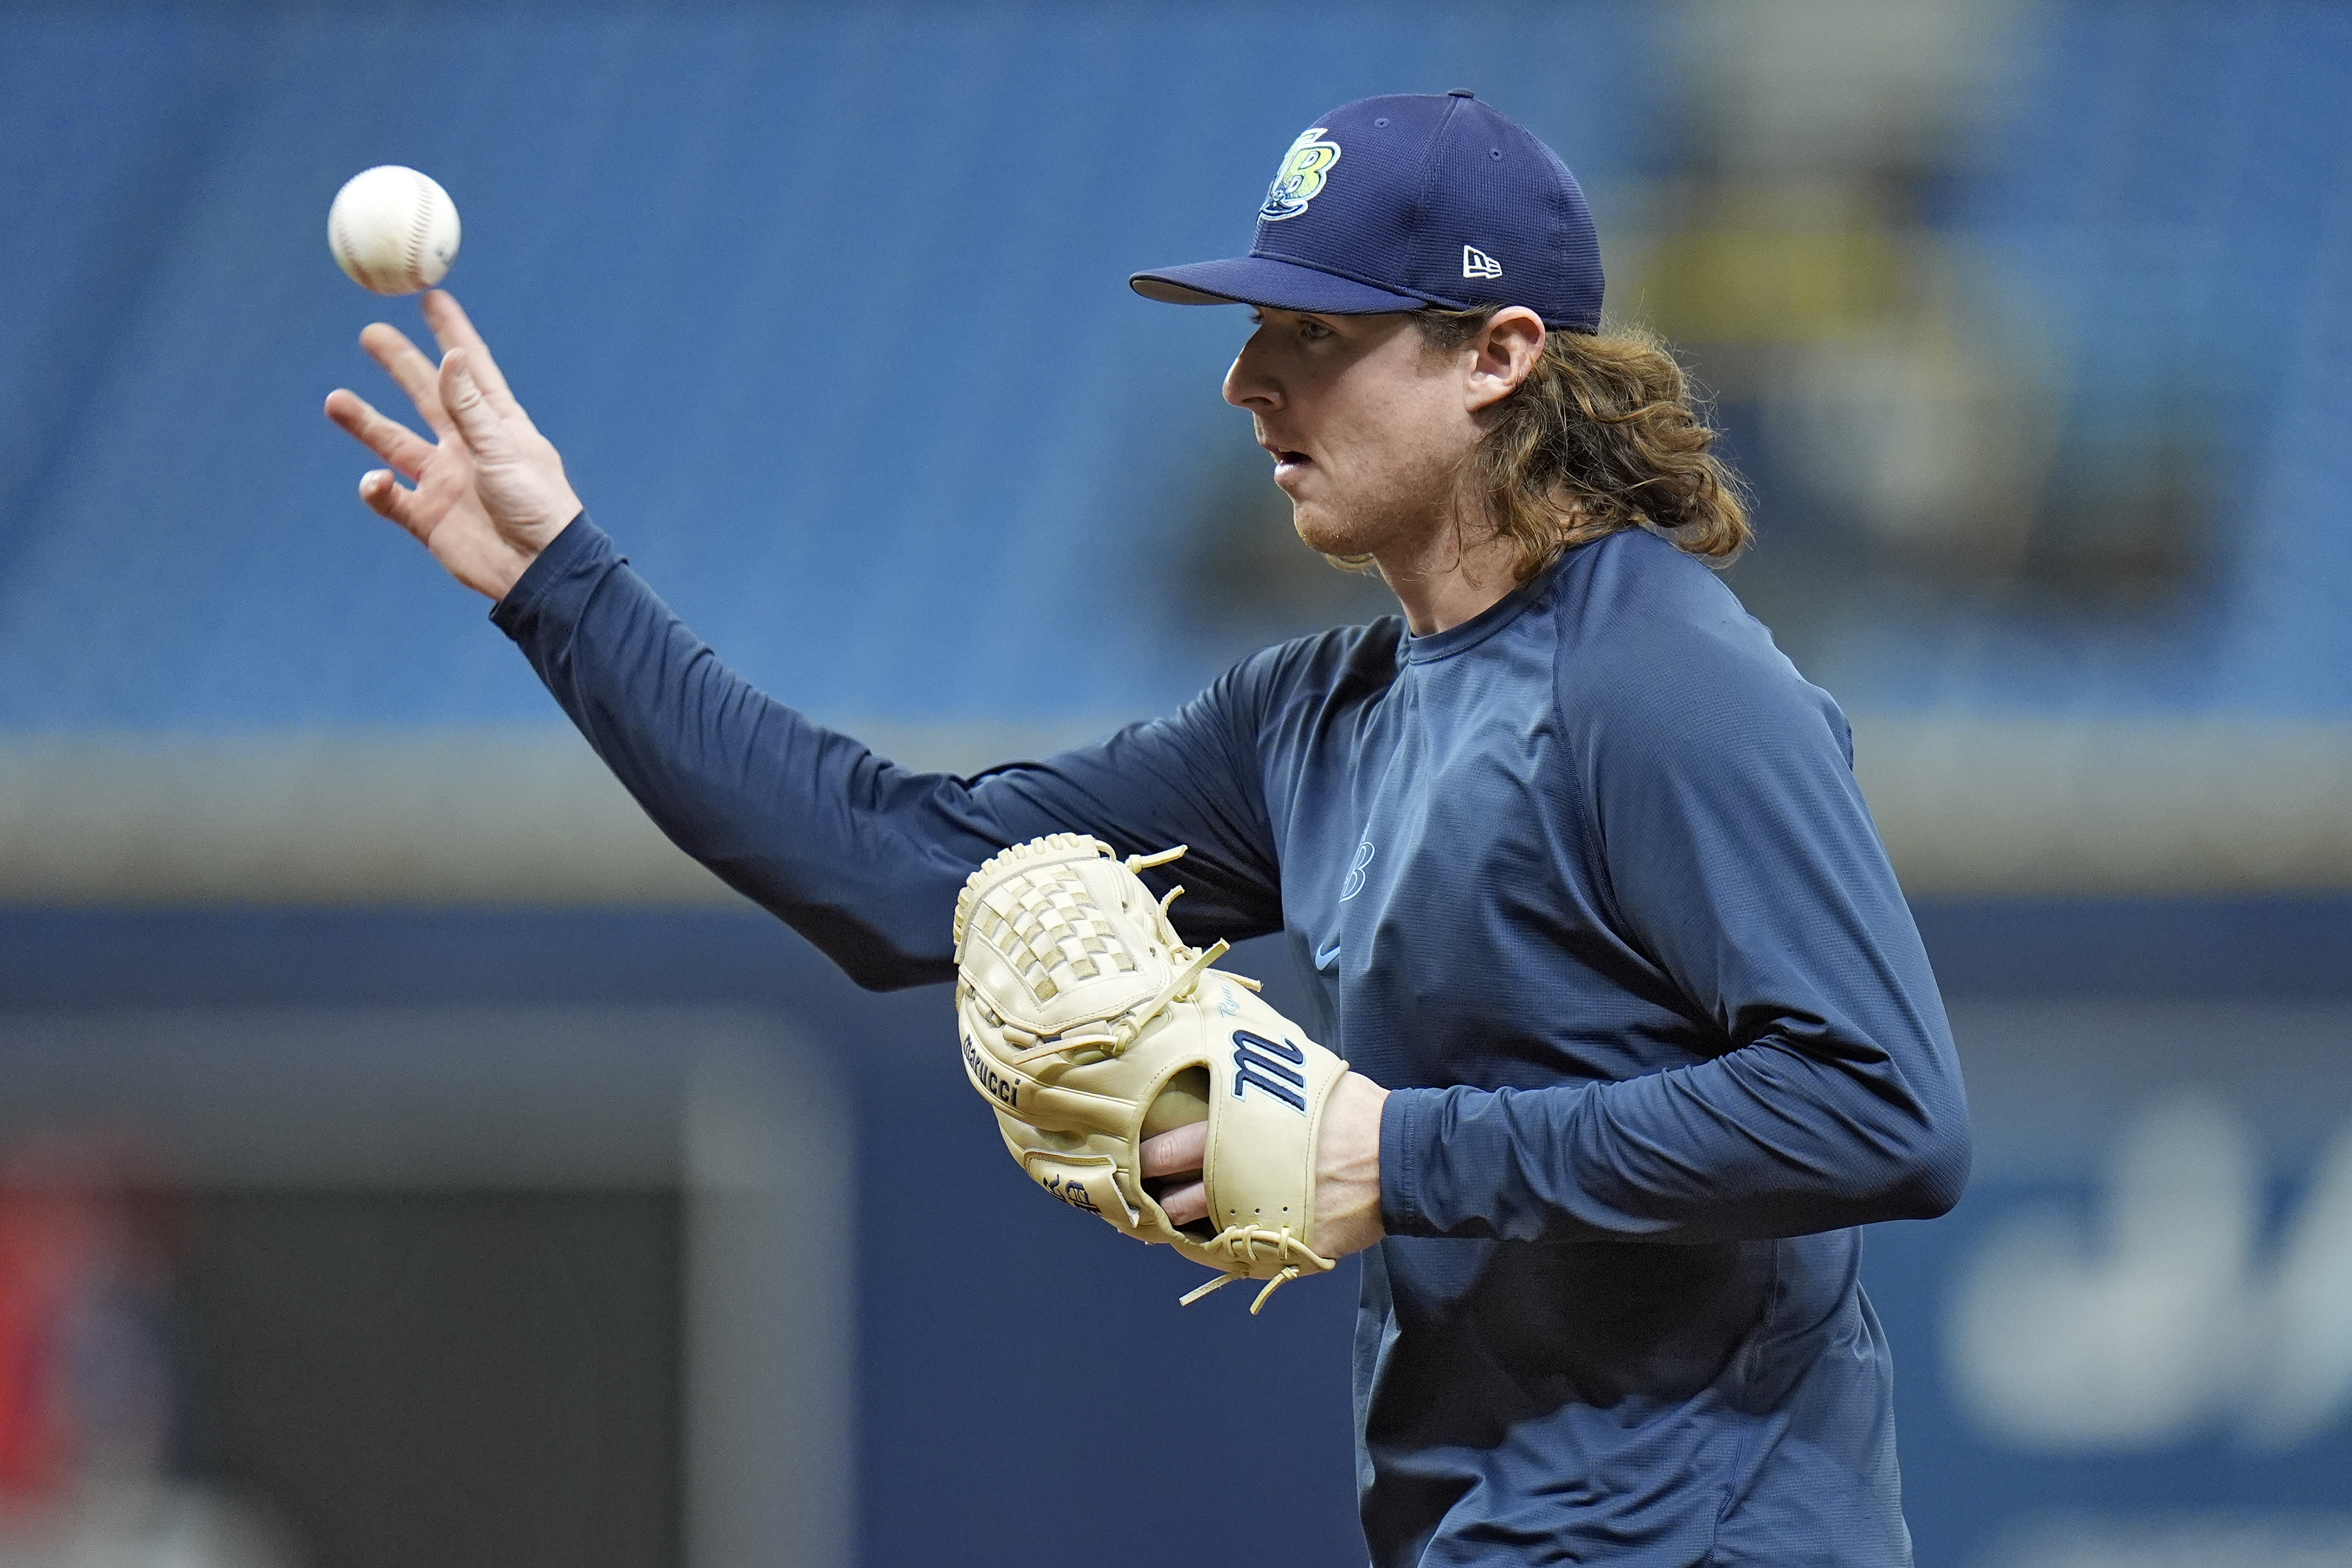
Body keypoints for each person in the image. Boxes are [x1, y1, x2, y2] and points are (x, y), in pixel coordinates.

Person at [325, 91, 1970, 1568]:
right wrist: (558, 581)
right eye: (1259, 326)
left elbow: (1884, 1107)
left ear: (1500, 353)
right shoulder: (1321, 717)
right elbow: (907, 879)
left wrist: (1397, 1157)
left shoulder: (1661, 683)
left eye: (1318, 336)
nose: (1251, 379)